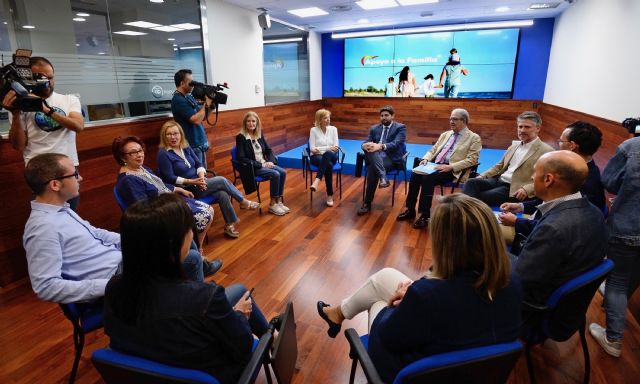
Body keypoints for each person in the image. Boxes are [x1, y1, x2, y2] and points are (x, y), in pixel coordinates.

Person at [317, 194, 522, 383]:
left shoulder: (426, 296)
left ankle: (340, 314)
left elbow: (387, 337)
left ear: (446, 243)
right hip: (480, 372)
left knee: (379, 302)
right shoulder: (513, 278)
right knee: (386, 276)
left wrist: (397, 305)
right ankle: (338, 313)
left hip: (421, 374)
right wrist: (416, 292)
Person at [104, 194, 273, 384]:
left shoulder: (113, 289)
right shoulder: (206, 298)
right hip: (214, 373)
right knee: (243, 299)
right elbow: (244, 348)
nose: (192, 234)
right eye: (188, 230)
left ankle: (271, 333)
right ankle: (273, 339)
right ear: (173, 244)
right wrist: (240, 315)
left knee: (239, 290)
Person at [22, 153, 220, 304]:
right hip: (117, 276)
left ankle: (190, 292)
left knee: (178, 235)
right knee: (190, 256)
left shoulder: (61, 210)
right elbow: (46, 287)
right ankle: (198, 303)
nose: (80, 178)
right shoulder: (42, 228)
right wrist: (116, 284)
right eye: (74, 174)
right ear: (55, 184)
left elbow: (96, 234)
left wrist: (135, 241)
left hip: (123, 260)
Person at [513, 151, 607, 308]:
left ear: (548, 180)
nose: (531, 177)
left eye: (535, 172)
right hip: (567, 303)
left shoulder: (553, 228)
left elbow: (519, 279)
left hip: (534, 306)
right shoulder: (595, 212)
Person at [499, 121, 606, 245]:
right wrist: (520, 206)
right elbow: (549, 202)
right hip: (537, 222)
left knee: (482, 230)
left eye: (561, 141)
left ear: (572, 145)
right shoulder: (573, 169)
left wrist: (517, 222)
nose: (533, 178)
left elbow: (557, 227)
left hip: (538, 233)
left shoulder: (585, 183)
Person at [3, 56, 84, 211]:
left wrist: (45, 109)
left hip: (66, 168)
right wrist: (16, 114)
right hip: (39, 171)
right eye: (42, 78)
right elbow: (18, 145)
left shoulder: (68, 99)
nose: (48, 82)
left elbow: (78, 126)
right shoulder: (20, 105)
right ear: (28, 78)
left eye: (51, 77)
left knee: (70, 213)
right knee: (49, 215)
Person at [157, 120, 260, 238]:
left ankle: (229, 225)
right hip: (186, 190)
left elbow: (199, 163)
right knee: (221, 180)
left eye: (176, 133)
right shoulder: (163, 154)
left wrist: (201, 178)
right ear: (164, 136)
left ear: (181, 134)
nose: (173, 137)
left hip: (199, 183)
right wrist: (192, 181)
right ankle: (243, 202)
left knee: (222, 194)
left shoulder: (186, 147)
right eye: (169, 134)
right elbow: (170, 178)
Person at [112, 136, 214, 251]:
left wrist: (177, 189)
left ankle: (195, 249)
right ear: (122, 157)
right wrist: (172, 206)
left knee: (209, 210)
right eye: (133, 152)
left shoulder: (141, 168)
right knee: (205, 213)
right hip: (160, 214)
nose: (139, 154)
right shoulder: (128, 180)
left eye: (140, 150)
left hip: (169, 201)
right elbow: (143, 209)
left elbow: (158, 184)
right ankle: (195, 252)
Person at [589, 135, 640, 358]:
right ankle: (616, 307)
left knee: (617, 283)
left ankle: (613, 338)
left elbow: (609, 181)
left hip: (628, 225)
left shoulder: (632, 146)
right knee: (634, 275)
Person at [397, 108, 481, 228]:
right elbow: (433, 150)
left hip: (452, 170)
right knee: (415, 174)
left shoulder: (474, 138)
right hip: (434, 165)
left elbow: (472, 160)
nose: (451, 121)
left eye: (455, 119)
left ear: (464, 121)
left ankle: (425, 215)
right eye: (451, 119)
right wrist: (425, 159)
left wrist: (451, 167)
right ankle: (410, 210)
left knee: (428, 179)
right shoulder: (445, 134)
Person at [462, 111, 553, 207]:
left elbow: (546, 180)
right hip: (498, 180)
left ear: (538, 128)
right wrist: (482, 176)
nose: (522, 130)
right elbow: (499, 166)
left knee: (480, 197)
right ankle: (464, 211)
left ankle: (462, 214)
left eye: (527, 127)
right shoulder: (514, 146)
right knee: (470, 183)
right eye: (520, 126)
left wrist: (527, 189)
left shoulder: (547, 151)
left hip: (514, 188)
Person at [235, 111, 288, 216]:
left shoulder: (259, 134)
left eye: (253, 121)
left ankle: (278, 201)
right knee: (275, 174)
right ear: (245, 123)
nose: (251, 124)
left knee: (282, 172)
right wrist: (261, 165)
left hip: (264, 164)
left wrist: (270, 162)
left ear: (257, 122)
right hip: (252, 167)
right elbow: (242, 158)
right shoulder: (240, 137)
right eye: (248, 121)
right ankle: (272, 204)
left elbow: (268, 150)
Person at [357, 105, 407, 216]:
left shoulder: (400, 127)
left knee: (372, 169)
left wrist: (380, 146)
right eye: (382, 116)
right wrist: (364, 145)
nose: (383, 117)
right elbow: (366, 142)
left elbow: (396, 143)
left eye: (386, 115)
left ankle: (367, 203)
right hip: (375, 156)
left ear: (392, 116)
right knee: (370, 149)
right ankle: (383, 177)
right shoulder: (374, 128)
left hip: (391, 158)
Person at [171, 69, 213, 166]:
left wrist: (211, 107)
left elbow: (202, 117)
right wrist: (206, 103)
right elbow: (196, 120)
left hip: (200, 143)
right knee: (198, 175)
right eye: (191, 82)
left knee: (203, 173)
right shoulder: (178, 100)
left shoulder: (188, 97)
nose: (193, 85)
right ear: (182, 83)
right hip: (192, 145)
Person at [309, 109, 340, 207]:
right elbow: (312, 149)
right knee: (329, 165)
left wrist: (322, 149)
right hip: (316, 157)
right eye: (325, 118)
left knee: (328, 154)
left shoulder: (334, 129)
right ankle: (330, 195)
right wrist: (327, 148)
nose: (328, 120)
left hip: (332, 156)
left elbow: (335, 148)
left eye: (329, 117)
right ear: (319, 119)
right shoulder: (313, 130)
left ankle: (317, 180)